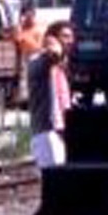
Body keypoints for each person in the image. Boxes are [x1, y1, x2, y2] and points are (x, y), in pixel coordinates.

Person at [28, 21, 75, 168]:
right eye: (65, 36)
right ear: (52, 39)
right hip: (46, 131)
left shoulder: (61, 66)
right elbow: (52, 56)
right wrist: (53, 46)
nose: (70, 41)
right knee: (54, 176)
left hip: (61, 130)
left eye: (71, 37)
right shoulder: (39, 61)